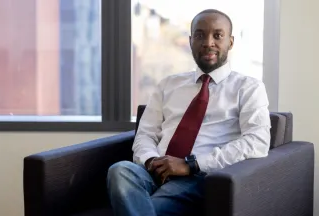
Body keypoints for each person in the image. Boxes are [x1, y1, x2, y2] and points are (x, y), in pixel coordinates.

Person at [107, 8, 271, 216]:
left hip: (199, 176)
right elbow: (146, 133)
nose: (208, 42)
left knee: (152, 209)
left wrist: (190, 165)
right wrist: (151, 161)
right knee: (120, 170)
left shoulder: (248, 88)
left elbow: (257, 141)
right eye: (200, 35)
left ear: (230, 42)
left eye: (217, 35)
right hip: (153, 171)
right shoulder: (168, 84)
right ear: (191, 40)